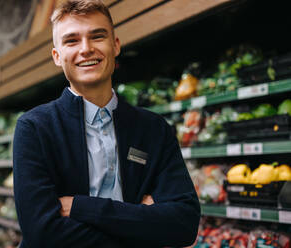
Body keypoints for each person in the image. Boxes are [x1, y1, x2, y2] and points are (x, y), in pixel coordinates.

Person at [13, 0, 200, 247]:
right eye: (72, 40)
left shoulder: (154, 130)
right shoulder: (35, 128)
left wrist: (82, 207)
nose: (86, 48)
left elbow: (184, 224)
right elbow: (43, 234)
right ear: (57, 56)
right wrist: (141, 224)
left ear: (115, 45)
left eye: (97, 36)